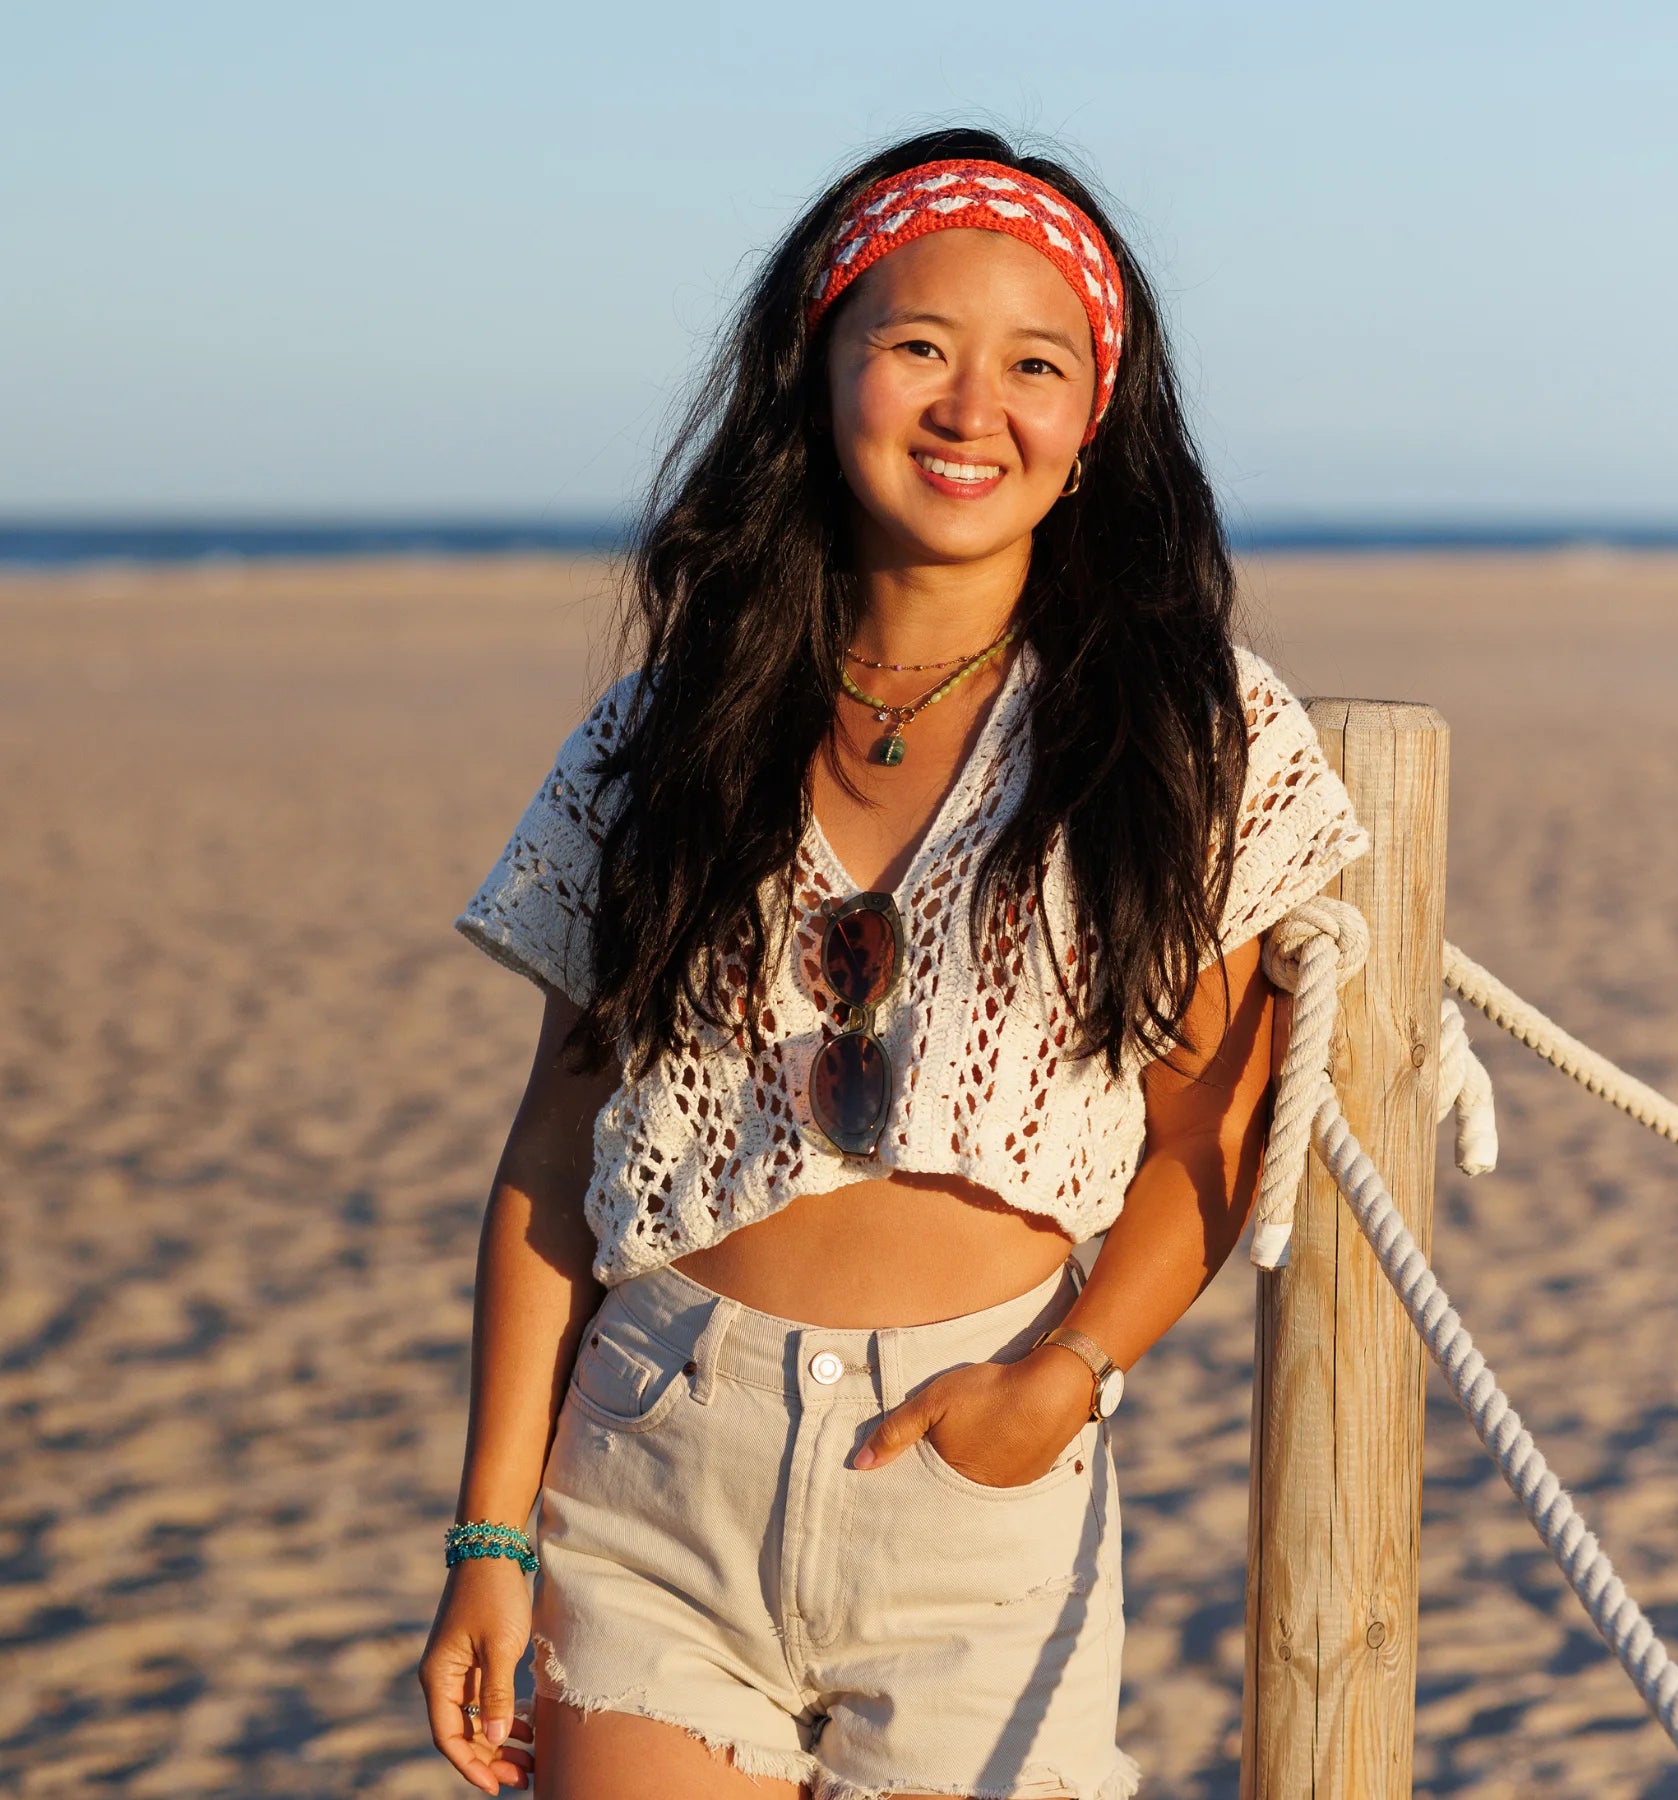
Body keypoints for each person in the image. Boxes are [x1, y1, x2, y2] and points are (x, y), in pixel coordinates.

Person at [418, 128, 1369, 1800]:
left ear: (1091, 426)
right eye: (917, 345)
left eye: (1035, 363)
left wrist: (1063, 1380)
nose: (969, 405)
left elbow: (1214, 1128)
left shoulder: (1184, 734)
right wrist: (490, 1533)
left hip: (973, 1484)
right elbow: (555, 1153)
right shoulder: (669, 733)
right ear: (821, 368)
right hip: (654, 1469)